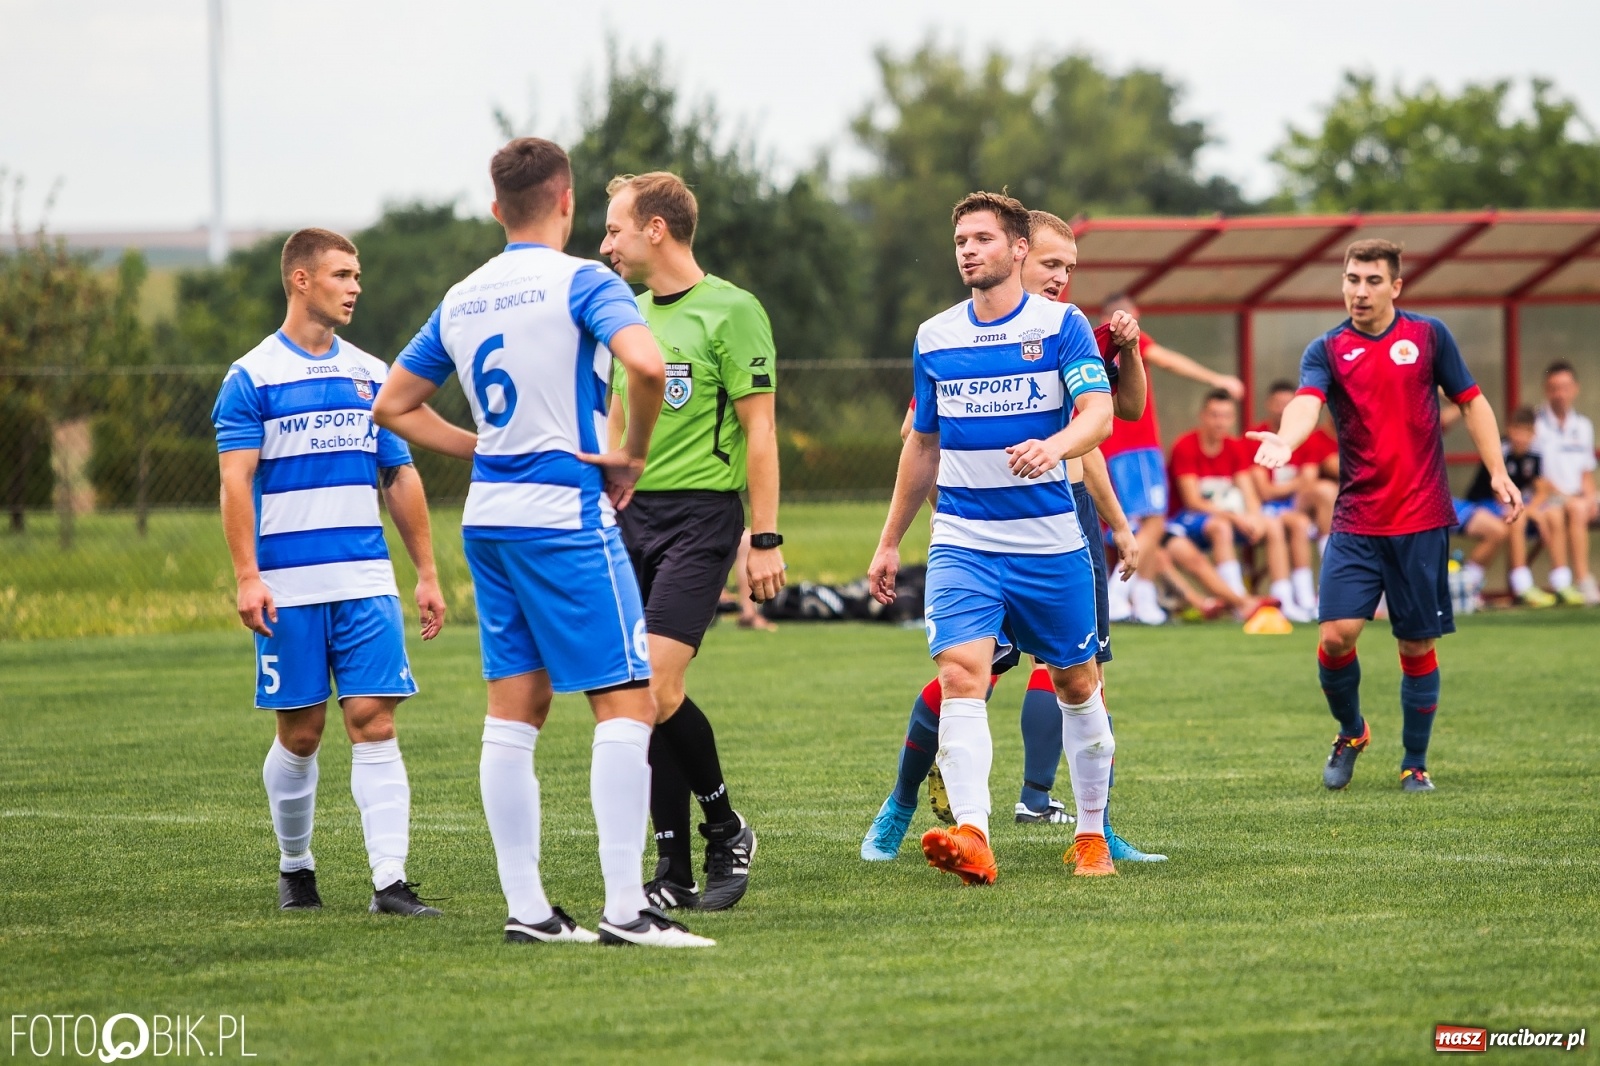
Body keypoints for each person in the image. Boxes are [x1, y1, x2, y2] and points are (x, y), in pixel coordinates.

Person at [375, 138, 713, 947]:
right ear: (564, 203)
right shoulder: (585, 279)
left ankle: (529, 910)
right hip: (564, 512)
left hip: (489, 516)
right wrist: (631, 451)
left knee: (514, 708)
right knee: (626, 700)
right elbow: (648, 364)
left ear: (497, 209)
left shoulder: (461, 297)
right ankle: (627, 908)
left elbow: (392, 403)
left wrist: (479, 446)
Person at [860, 210, 1166, 865]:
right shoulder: (936, 336)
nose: (1062, 278)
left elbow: (1106, 418)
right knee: (961, 675)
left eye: (1068, 268)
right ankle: (964, 829)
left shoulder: (1067, 327)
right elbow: (922, 443)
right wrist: (891, 541)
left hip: (1052, 535)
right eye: (961, 242)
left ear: (1012, 248)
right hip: (965, 541)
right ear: (1026, 256)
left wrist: (1105, 510)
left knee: (1081, 683)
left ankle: (1092, 832)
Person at [212, 228, 447, 918]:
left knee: (374, 721)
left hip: (366, 583)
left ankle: (390, 883)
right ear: (301, 280)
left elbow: (399, 476)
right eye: (342, 274)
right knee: (302, 733)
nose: (355, 286)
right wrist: (248, 576)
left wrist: (427, 571)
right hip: (288, 589)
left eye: (358, 274)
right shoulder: (250, 377)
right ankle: (295, 866)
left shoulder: (375, 376)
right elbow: (235, 483)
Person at [1250, 238, 1522, 793]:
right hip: (1356, 519)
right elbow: (1307, 401)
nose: (1360, 291)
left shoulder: (1427, 336)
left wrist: (1497, 471)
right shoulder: (1327, 349)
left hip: (1421, 518)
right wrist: (1286, 439)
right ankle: (1351, 732)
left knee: (1416, 645)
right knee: (1335, 637)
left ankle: (1414, 763)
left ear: (1396, 286)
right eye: (1352, 279)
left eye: (1373, 281)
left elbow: (1471, 399)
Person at [599, 171, 781, 912]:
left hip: (703, 520)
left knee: (655, 687)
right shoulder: (626, 317)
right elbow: (615, 426)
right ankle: (672, 869)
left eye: (614, 228)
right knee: (636, 696)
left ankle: (725, 829)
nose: (605, 243)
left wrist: (763, 537)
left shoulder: (732, 311)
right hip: (630, 522)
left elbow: (759, 431)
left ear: (656, 229)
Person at [1099, 291, 1245, 626]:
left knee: (1147, 526)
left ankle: (1145, 599)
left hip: (1111, 449)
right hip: (1134, 447)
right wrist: (1216, 378)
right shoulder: (1124, 339)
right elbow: (1168, 360)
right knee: (1154, 521)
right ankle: (1117, 595)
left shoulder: (1095, 345)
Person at [1168, 391, 1313, 622]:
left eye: (1225, 416)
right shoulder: (1185, 446)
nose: (1219, 422)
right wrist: (1237, 518)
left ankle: (1285, 599)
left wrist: (1254, 516)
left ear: (1233, 419)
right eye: (1214, 415)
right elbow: (1192, 500)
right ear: (1203, 416)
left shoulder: (1234, 447)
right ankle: (1240, 602)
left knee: (1273, 524)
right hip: (1187, 520)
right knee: (1221, 527)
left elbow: (1249, 491)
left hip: (1228, 517)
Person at [1460, 406, 1555, 607]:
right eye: (1516, 430)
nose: (1520, 437)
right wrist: (1527, 511)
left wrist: (1533, 510)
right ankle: (1521, 586)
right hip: (1485, 503)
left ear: (1533, 433)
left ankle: (1563, 582)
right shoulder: (1500, 449)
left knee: (1552, 516)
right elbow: (1498, 491)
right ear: (1509, 429)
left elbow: (1542, 488)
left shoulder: (1536, 452)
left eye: (1526, 432)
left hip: (1515, 504)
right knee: (1513, 522)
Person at [1251, 379, 1337, 582]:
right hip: (1268, 510)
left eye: (1288, 405)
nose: (1282, 410)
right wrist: (1296, 483)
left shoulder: (1307, 438)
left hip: (1298, 504)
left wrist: (1286, 486)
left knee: (1321, 496)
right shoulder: (1258, 436)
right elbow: (1265, 491)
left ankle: (1331, 578)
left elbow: (1309, 481)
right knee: (1298, 523)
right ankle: (1297, 594)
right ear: (1268, 404)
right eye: (1278, 404)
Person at [1531, 361, 1598, 606]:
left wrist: (1590, 498)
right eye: (1554, 388)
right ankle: (1582, 579)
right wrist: (1576, 500)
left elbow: (1586, 473)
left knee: (1581, 507)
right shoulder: (1536, 424)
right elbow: (1536, 476)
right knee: (1574, 509)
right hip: (1549, 497)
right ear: (1546, 390)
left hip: (1578, 497)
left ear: (1575, 389)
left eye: (1565, 387)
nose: (1560, 394)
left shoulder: (1583, 426)